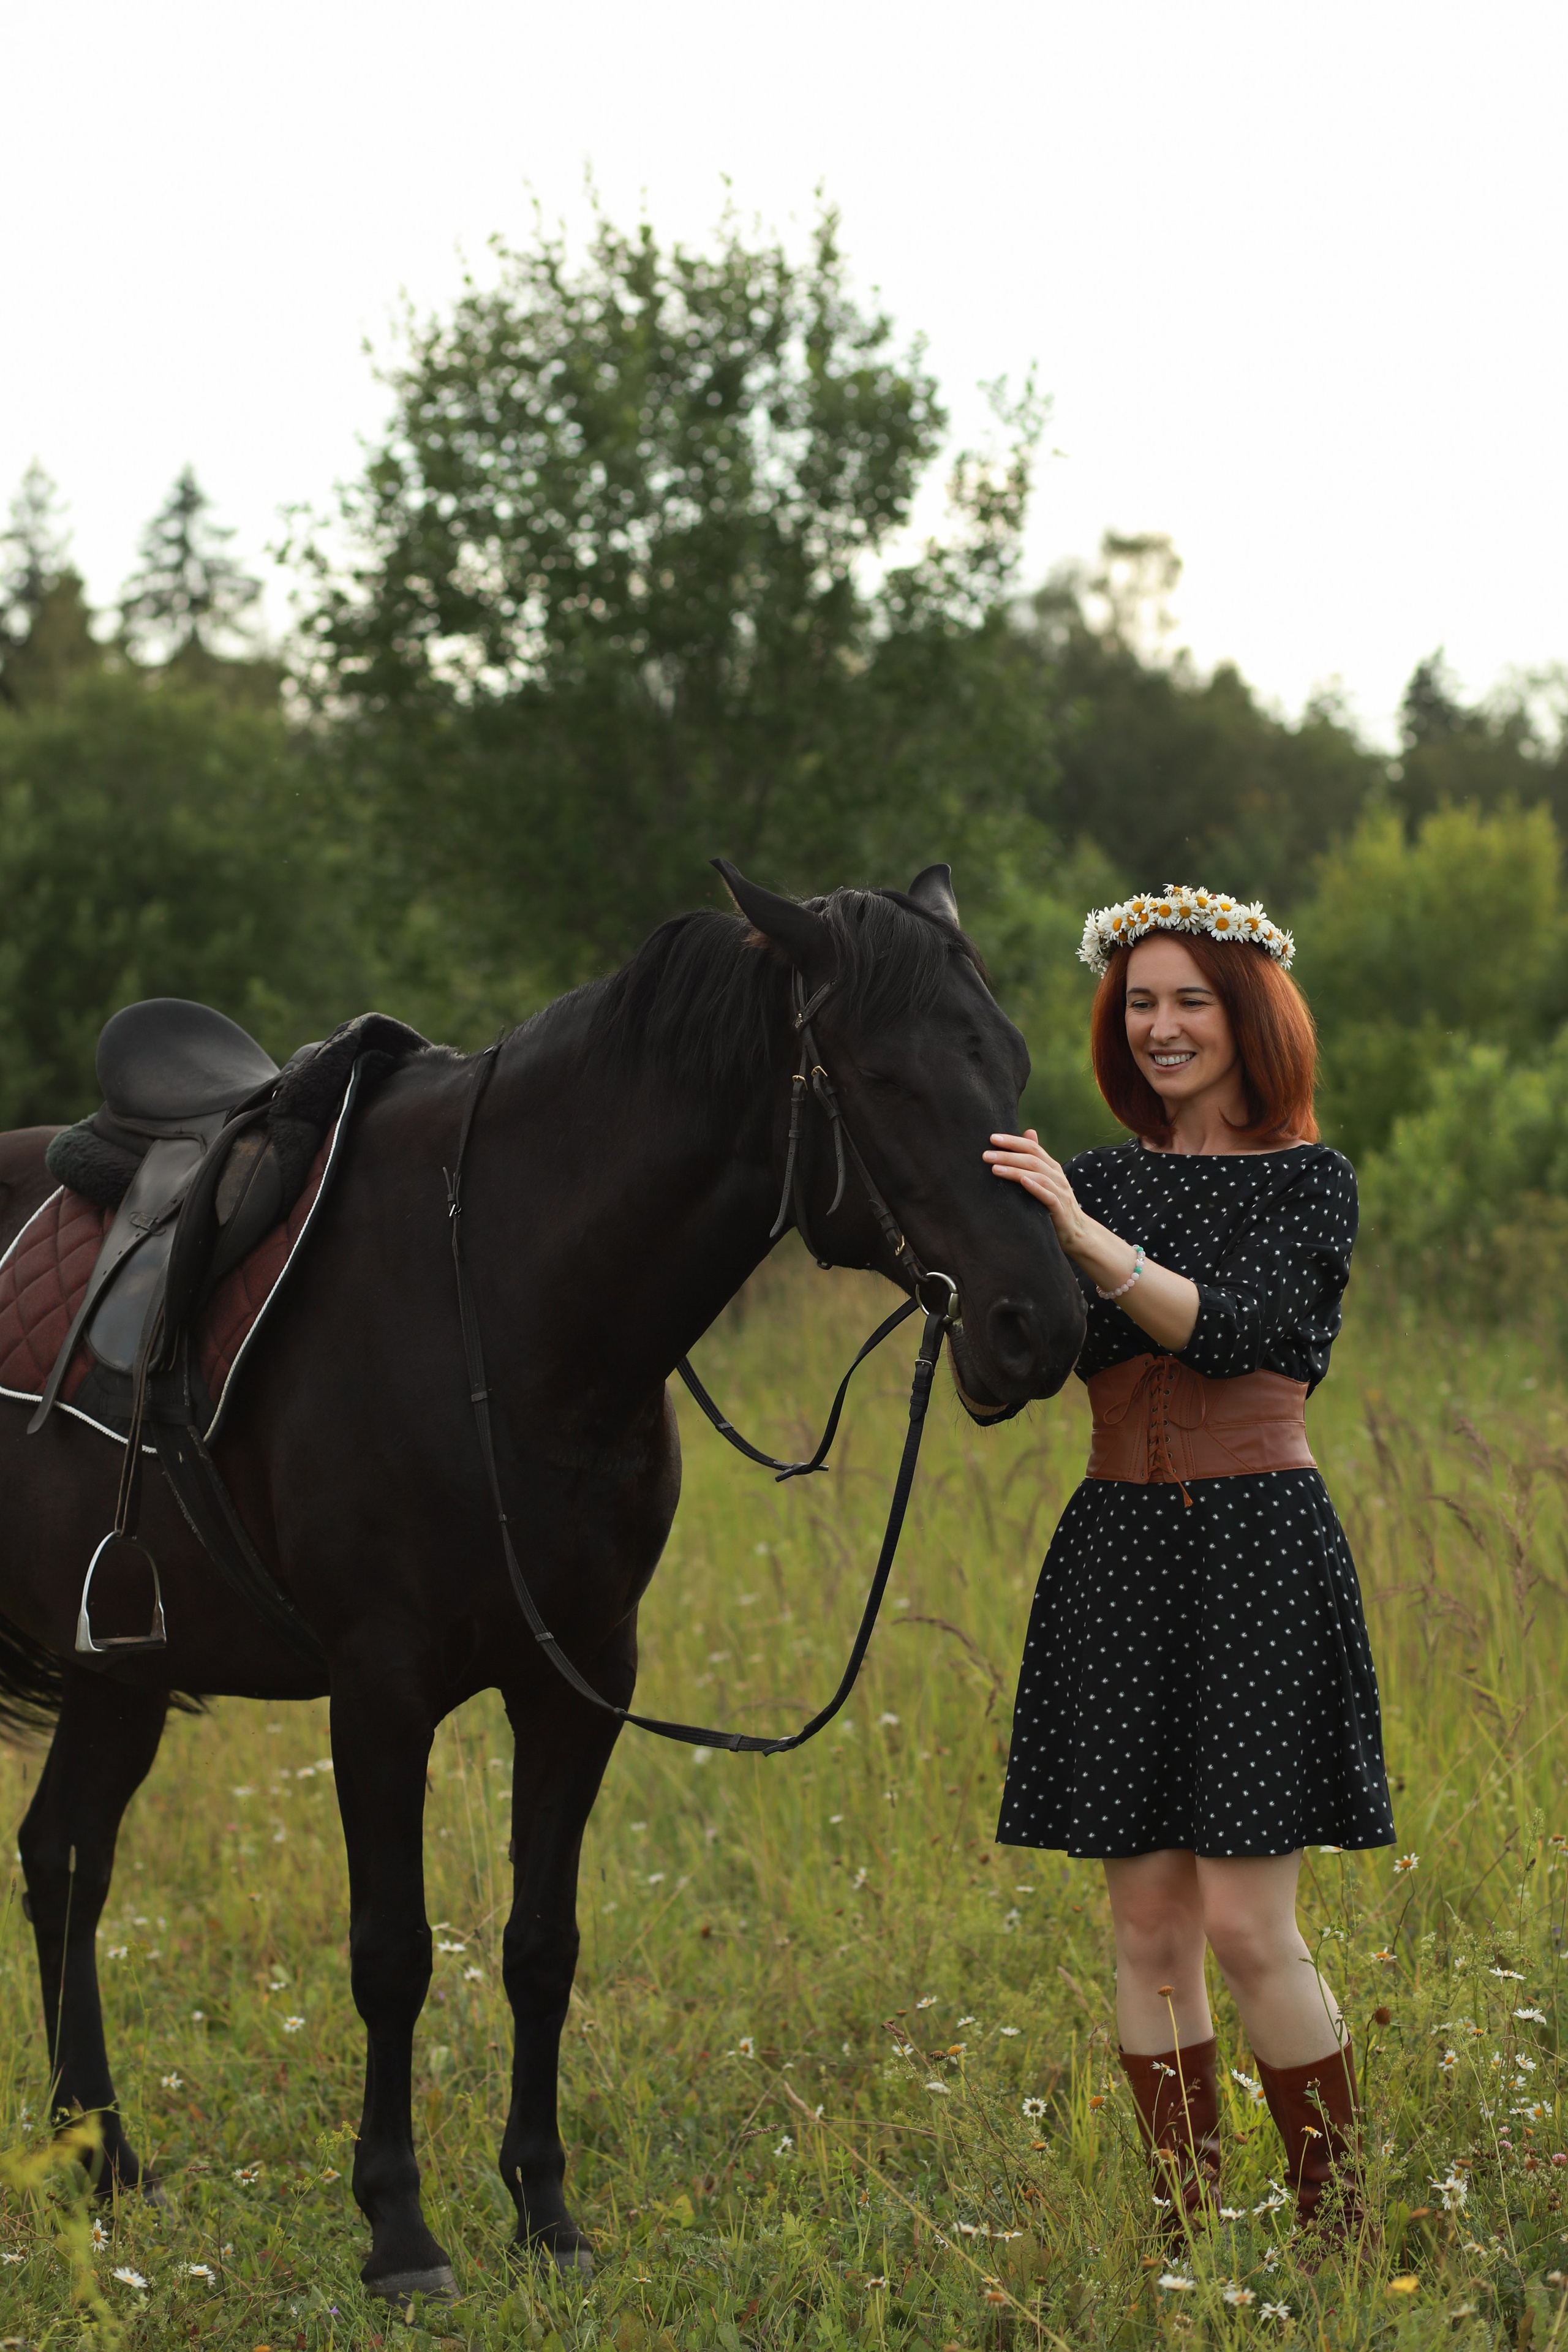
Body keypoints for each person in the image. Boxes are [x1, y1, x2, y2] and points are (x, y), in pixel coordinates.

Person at [984, 886, 1392, 2244]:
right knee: (1147, 1923)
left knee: (1239, 1921)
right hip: (1115, 1554)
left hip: (1258, 1555)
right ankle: (1181, 2235)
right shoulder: (1090, 1177)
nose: (1158, 1028)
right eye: (1138, 1003)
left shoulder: (1305, 1182)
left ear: (1246, 1016)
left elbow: (1235, 1336)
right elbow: (1037, 1358)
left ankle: (1335, 2228)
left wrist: (1079, 1239)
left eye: (1188, 1002)